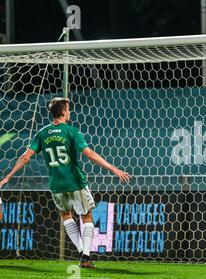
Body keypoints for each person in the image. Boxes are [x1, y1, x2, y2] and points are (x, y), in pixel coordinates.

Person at [0, 97, 131, 268]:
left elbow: (25, 157)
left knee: (66, 216)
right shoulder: (71, 132)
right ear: (62, 112)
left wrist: (8, 177)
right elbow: (90, 154)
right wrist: (114, 169)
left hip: (56, 185)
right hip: (75, 181)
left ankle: (81, 253)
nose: (69, 112)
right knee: (86, 216)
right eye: (68, 109)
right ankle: (85, 255)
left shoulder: (42, 133)